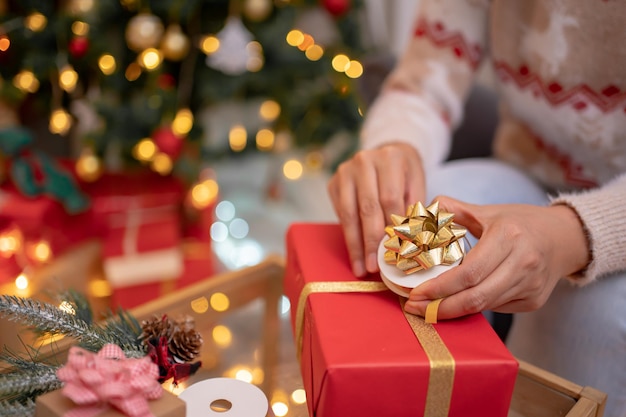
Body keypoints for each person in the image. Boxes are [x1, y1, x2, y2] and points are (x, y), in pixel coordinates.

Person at [327, 1, 626, 415]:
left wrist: (572, 233)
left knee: (588, 319)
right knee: (428, 211)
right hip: (524, 169)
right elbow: (424, 83)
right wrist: (395, 146)